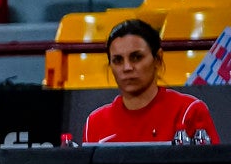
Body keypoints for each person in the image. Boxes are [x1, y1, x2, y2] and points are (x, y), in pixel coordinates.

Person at [85, 19, 220, 143]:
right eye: (118, 60)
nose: (127, 67)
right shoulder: (95, 122)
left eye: (137, 57)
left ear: (158, 59)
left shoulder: (188, 111)